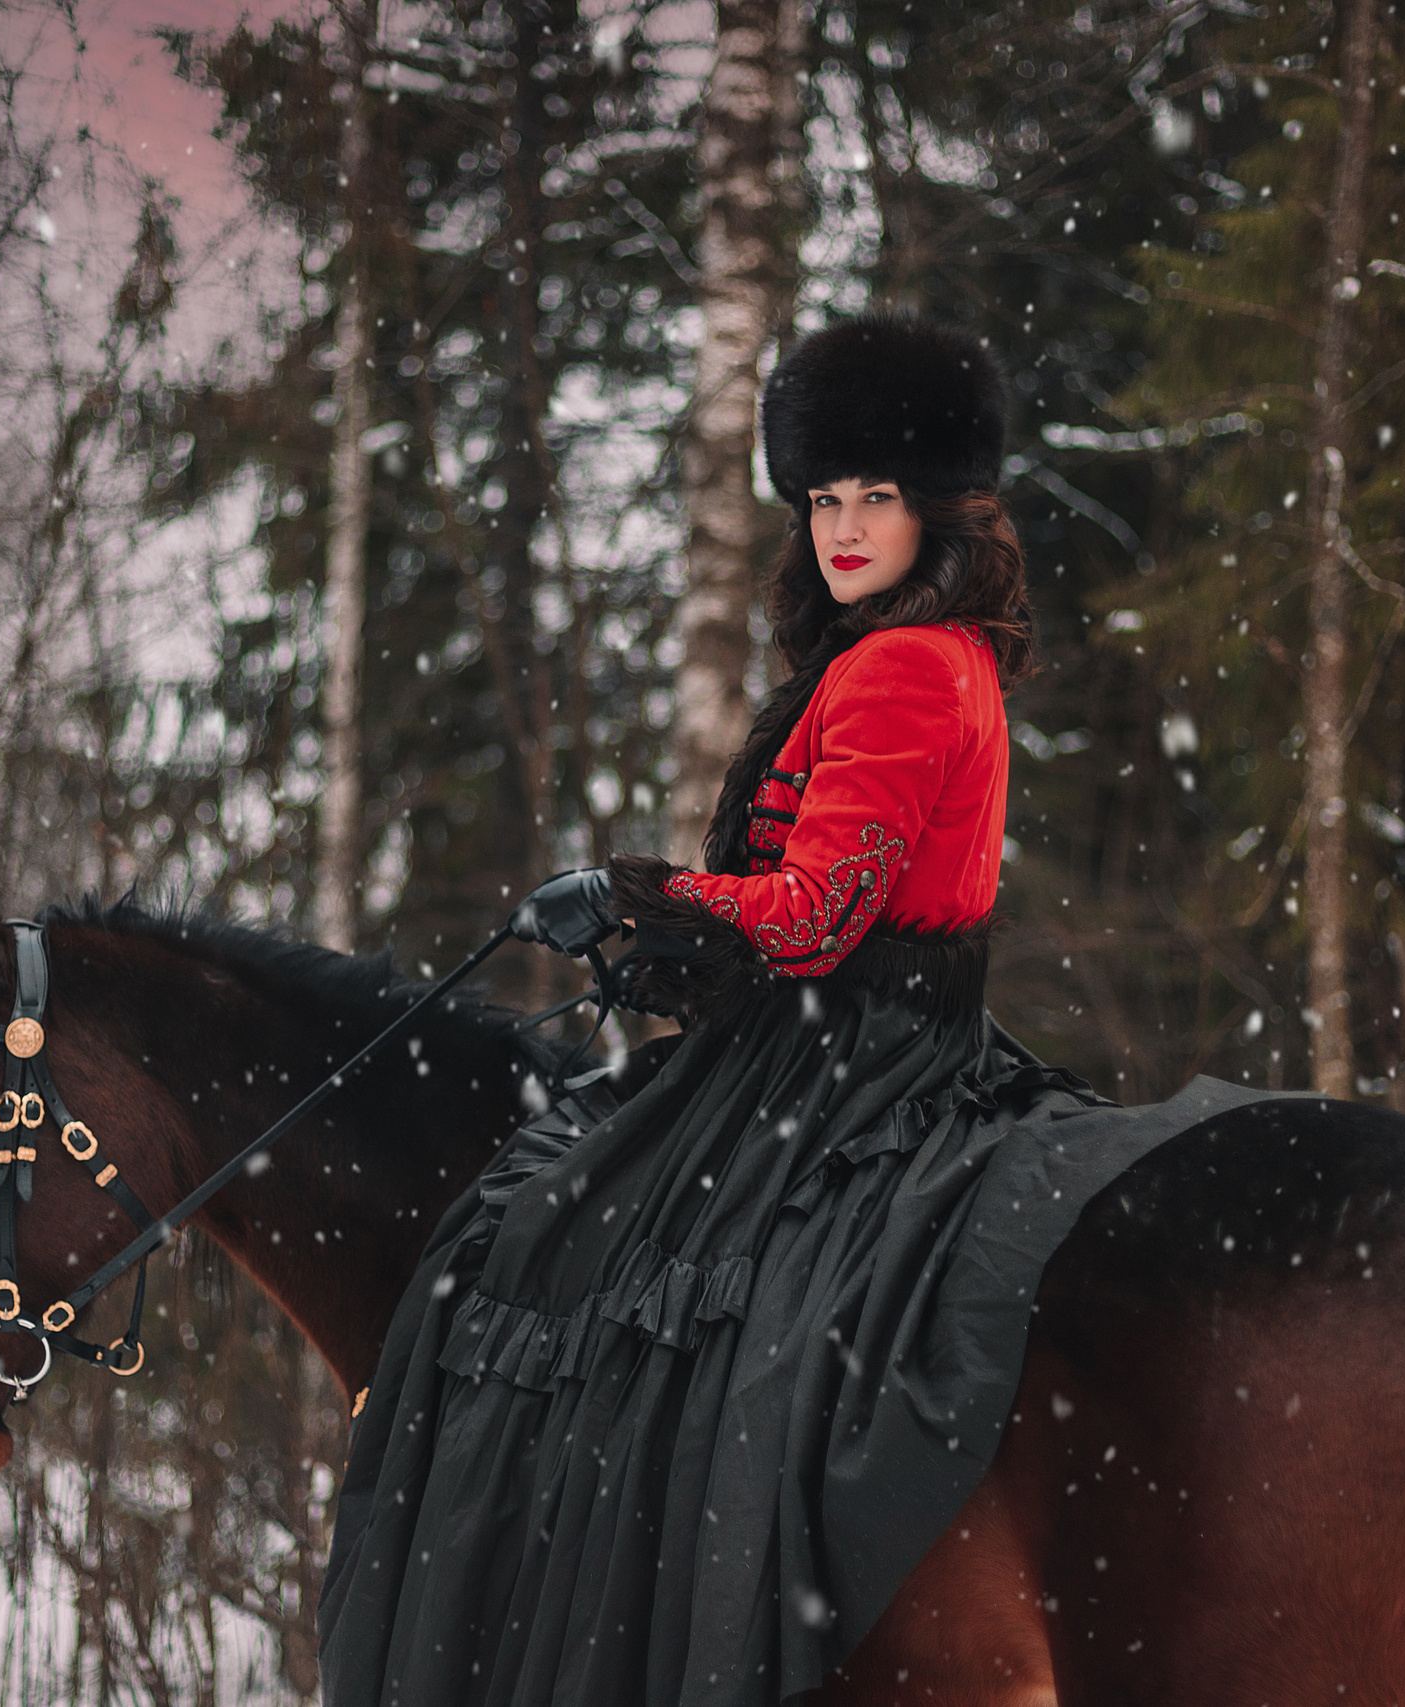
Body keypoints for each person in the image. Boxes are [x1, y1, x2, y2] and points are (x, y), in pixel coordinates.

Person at [320, 318, 1127, 1706]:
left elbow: (816, 914)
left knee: (553, 1251)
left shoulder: (901, 666)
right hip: (857, 1038)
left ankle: (584, 1626)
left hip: (839, 1067)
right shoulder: (939, 657)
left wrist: (645, 895)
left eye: (878, 495)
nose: (846, 527)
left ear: (938, 505)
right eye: (824, 498)